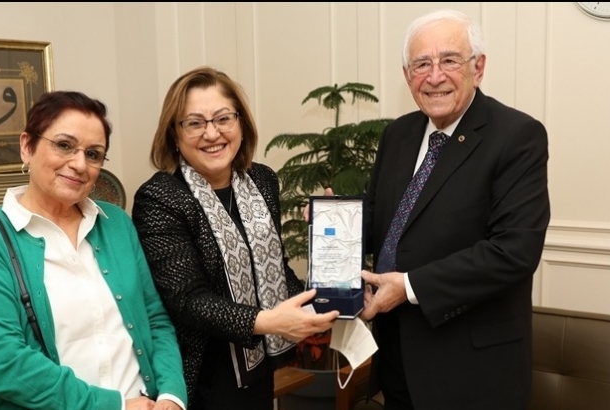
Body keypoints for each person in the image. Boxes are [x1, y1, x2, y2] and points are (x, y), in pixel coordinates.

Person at [357, 9, 550, 410]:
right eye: (421, 64)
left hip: (472, 373)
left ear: (478, 68)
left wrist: (409, 287)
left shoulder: (517, 136)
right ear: (407, 75)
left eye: (449, 60)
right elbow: (385, 224)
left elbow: (513, 252)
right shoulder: (397, 134)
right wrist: (336, 223)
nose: (434, 76)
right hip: (398, 362)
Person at [0, 91, 186, 410]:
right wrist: (115, 406)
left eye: (93, 154)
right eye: (64, 145)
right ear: (27, 146)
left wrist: (171, 395)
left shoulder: (116, 223)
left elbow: (155, 319)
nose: (79, 164)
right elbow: (1, 363)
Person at [131, 66, 339, 410]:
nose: (212, 133)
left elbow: (274, 269)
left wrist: (332, 245)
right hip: (202, 375)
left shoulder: (262, 181)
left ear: (241, 123)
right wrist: (269, 322)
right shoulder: (160, 198)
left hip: (260, 367)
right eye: (195, 123)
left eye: (223, 118)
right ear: (174, 134)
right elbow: (188, 300)